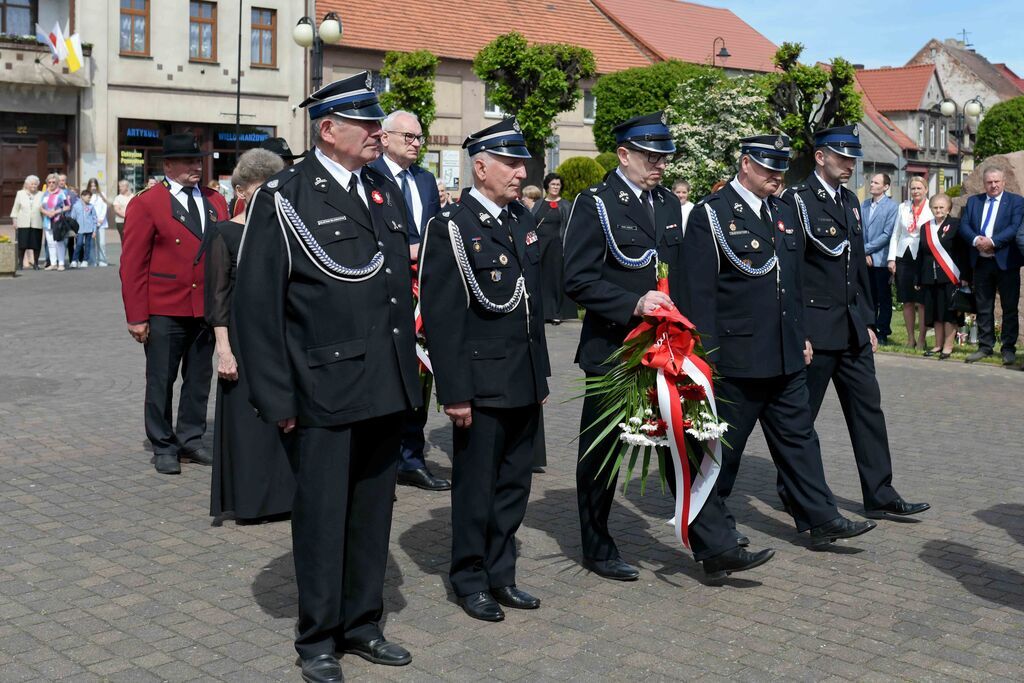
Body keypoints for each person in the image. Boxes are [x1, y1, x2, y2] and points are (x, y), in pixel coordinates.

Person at [233, 72, 420, 683]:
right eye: (365, 123)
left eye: (377, 122)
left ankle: (363, 622)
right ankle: (317, 637)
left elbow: (394, 292)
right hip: (322, 388)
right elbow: (257, 309)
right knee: (320, 519)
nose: (376, 132)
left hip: (384, 385)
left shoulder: (381, 191)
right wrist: (276, 396)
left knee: (372, 513)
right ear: (328, 129)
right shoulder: (285, 197)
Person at [563, 111, 773, 583]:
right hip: (616, 350)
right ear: (623, 154)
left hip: (667, 349)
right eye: (650, 156)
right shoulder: (596, 203)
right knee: (602, 457)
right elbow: (575, 279)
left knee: (684, 443)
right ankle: (597, 546)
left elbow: (681, 273)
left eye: (664, 157)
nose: (660, 165)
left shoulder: (666, 204)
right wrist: (631, 303)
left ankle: (714, 545)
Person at [686, 134, 876, 552]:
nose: (777, 175)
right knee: (724, 451)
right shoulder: (712, 214)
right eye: (769, 167)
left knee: (799, 440)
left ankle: (821, 518)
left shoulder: (781, 211)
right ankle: (712, 531)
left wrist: (801, 336)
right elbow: (698, 294)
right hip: (737, 358)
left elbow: (791, 284)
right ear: (745, 164)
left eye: (781, 167)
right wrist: (705, 357)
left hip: (786, 353)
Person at [419, 116, 551, 622]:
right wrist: (454, 392)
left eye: (522, 163)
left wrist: (540, 375)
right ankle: (470, 577)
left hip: (522, 378)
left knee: (515, 485)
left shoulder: (521, 220)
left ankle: (502, 573)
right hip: (479, 382)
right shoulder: (451, 228)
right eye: (511, 163)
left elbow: (532, 309)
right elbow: (444, 317)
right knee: (476, 489)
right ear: (480, 166)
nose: (521, 172)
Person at [782, 125, 930, 520]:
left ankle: (879, 492)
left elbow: (857, 268)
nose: (850, 165)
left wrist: (866, 320)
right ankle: (793, 490)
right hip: (816, 328)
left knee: (868, 409)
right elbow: (791, 271)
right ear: (820, 157)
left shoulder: (850, 200)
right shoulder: (796, 201)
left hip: (850, 327)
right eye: (842, 157)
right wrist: (799, 330)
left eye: (853, 158)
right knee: (801, 419)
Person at [119, 133, 228, 475]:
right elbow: (133, 264)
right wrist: (137, 316)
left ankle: (191, 440)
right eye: (188, 161)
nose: (196, 166)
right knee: (161, 380)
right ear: (168, 165)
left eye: (198, 161)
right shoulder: (148, 202)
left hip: (204, 307)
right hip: (165, 307)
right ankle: (163, 444)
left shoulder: (215, 201)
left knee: (198, 379)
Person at [204, 148, 295, 523]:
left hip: (281, 337)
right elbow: (218, 298)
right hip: (241, 340)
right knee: (247, 421)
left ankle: (286, 496)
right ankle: (251, 500)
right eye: (262, 188)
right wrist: (223, 351)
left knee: (284, 418)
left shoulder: (286, 231)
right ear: (241, 191)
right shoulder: (225, 233)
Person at [369, 109, 449, 493]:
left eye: (419, 137)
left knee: (421, 375)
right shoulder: (368, 175)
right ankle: (380, 463)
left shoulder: (425, 180)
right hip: (385, 290)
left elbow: (433, 230)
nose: (416, 143)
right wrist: (405, 250)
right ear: (384, 138)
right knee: (387, 377)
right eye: (408, 137)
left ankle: (411, 459)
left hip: (424, 294)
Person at [963, 167, 1024, 364]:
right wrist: (976, 241)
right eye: (989, 182)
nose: (993, 185)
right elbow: (964, 226)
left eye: (997, 181)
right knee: (983, 306)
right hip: (981, 262)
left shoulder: (1016, 201)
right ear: (984, 183)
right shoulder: (974, 201)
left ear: (1004, 182)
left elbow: (1014, 228)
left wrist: (993, 242)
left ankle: (1008, 348)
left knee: (1009, 308)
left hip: (1006, 262)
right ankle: (985, 346)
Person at [916, 193, 965, 359]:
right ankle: (937, 345)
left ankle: (948, 347)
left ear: (949, 208)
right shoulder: (925, 227)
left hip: (949, 276)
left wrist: (965, 275)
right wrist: (918, 277)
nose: (938, 210)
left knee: (948, 313)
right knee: (935, 312)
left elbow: (962, 252)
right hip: (929, 276)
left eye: (941, 207)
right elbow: (920, 254)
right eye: (935, 207)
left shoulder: (956, 225)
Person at [886, 176, 931, 349]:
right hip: (903, 256)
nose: (916, 191)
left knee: (922, 301)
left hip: (922, 256)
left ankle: (922, 338)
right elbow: (896, 234)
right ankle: (910, 338)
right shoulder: (903, 207)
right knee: (906, 300)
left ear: (926, 189)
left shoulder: (930, 207)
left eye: (919, 188)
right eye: (913, 188)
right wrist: (891, 258)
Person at [533, 172, 576, 323]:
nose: (556, 187)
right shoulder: (538, 204)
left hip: (557, 247)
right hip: (540, 246)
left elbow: (571, 228)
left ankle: (557, 313)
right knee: (541, 279)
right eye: (553, 184)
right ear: (547, 186)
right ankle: (544, 313)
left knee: (556, 280)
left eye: (558, 184)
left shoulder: (565, 205)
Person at [862, 173, 898, 343]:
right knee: (869, 297)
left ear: (885, 187)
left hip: (882, 259)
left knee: (883, 298)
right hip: (866, 259)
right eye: (871, 181)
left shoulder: (892, 207)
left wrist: (865, 249)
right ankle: (870, 329)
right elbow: (859, 229)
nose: (872, 184)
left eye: (876, 182)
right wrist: (865, 253)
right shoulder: (864, 205)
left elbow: (886, 234)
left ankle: (883, 331)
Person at [39, 173, 70, 271]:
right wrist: (46, 212)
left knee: (59, 242)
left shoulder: (62, 193)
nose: (51, 184)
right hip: (47, 221)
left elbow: (68, 206)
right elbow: (40, 207)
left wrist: (56, 212)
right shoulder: (45, 193)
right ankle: (53, 263)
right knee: (50, 243)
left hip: (58, 221)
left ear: (57, 183)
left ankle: (61, 263)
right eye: (49, 182)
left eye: (54, 182)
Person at [10, 175, 42, 270]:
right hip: (23, 223)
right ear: (27, 184)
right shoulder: (20, 193)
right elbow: (15, 208)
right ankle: (20, 264)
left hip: (37, 222)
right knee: (22, 244)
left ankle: (36, 263)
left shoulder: (41, 194)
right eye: (32, 184)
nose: (34, 186)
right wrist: (14, 220)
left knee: (36, 244)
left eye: (35, 184)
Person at [85, 178, 110, 267]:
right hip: (90, 223)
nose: (93, 187)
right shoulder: (87, 196)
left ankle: (102, 260)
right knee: (91, 243)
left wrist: (101, 219)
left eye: (95, 185)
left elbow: (104, 207)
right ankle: (92, 261)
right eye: (91, 186)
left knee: (101, 243)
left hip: (101, 222)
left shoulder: (102, 195)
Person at [70, 187, 97, 267]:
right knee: (79, 244)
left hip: (89, 229)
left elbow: (94, 218)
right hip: (79, 230)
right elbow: (73, 218)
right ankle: (74, 260)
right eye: (88, 197)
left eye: (90, 197)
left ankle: (85, 260)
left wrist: (94, 230)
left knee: (88, 245)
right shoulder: (76, 206)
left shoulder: (91, 207)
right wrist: (73, 230)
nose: (89, 199)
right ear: (82, 196)